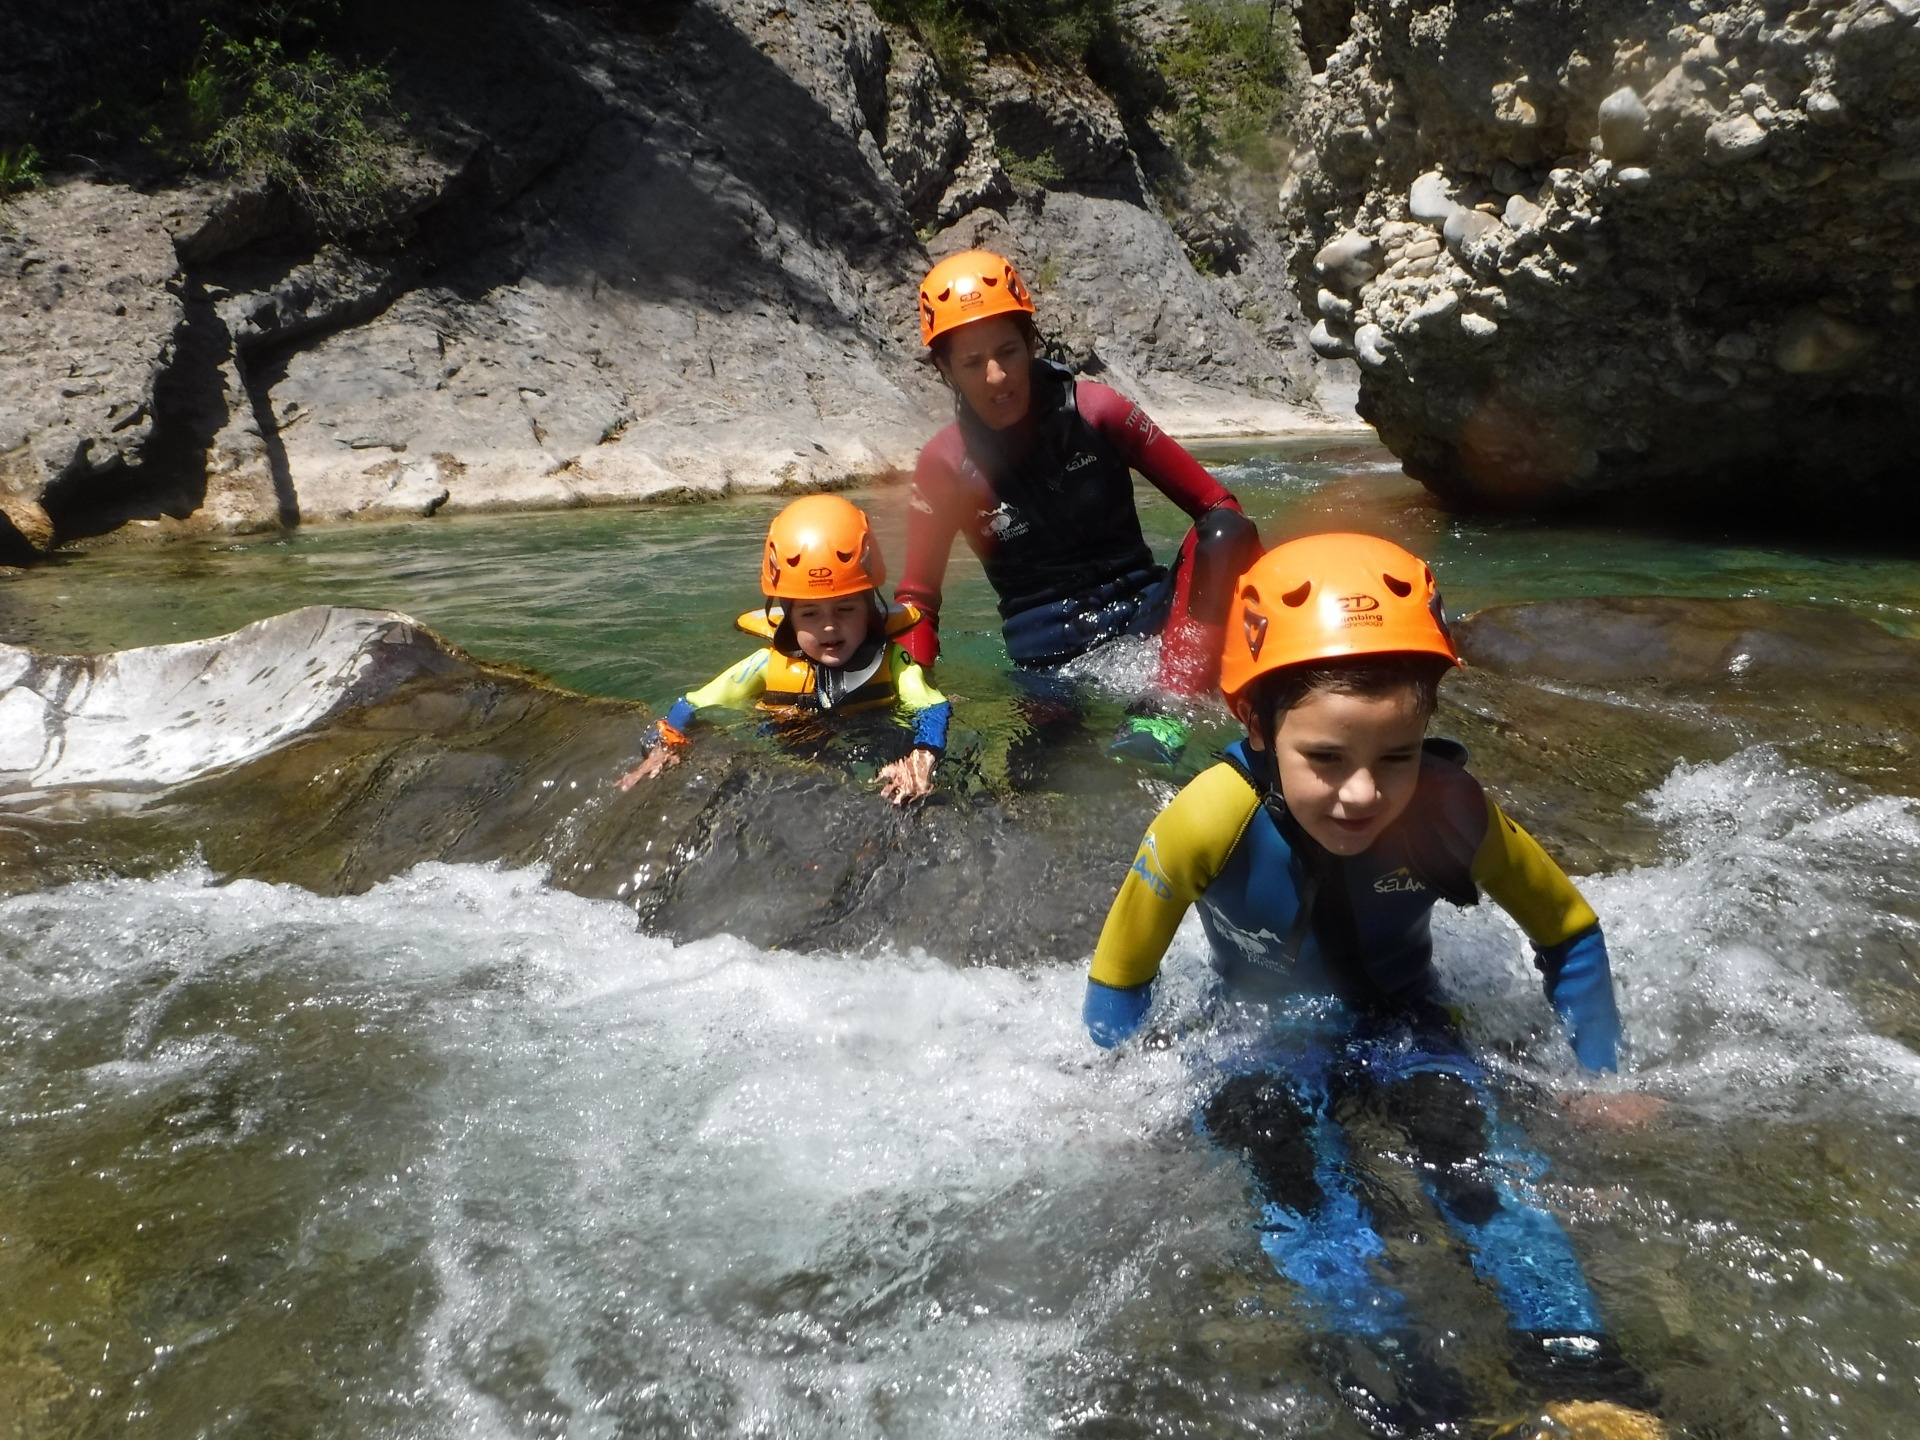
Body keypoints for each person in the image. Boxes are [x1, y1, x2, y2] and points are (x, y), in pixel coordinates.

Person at [1080, 533, 1659, 1430]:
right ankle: (1397, 1370)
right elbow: (1120, 976)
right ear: (1259, 728)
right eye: (1326, 758)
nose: (1362, 795)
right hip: (1258, 1029)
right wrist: (1120, 1091)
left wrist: (1601, 1077)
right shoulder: (1208, 818)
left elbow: (1571, 934)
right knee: (1283, 1156)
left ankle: (1577, 1363)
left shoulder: (1452, 810)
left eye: (1397, 756)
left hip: (1405, 1018)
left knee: (1465, 1159)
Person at [894, 249, 1263, 764]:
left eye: (1008, 351)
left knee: (1227, 532)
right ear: (945, 368)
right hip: (1048, 669)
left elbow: (1218, 506)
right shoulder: (944, 465)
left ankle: (1164, 708)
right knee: (1037, 794)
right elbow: (917, 602)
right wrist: (918, 717)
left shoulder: (1099, 412)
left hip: (1147, 625)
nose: (997, 377)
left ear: (1031, 342)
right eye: (973, 363)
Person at [617, 495, 950, 806]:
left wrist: (922, 756)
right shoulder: (765, 665)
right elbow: (692, 704)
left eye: (846, 609)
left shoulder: (893, 661)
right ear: (787, 617)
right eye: (810, 613)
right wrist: (665, 746)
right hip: (793, 756)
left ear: (870, 608)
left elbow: (933, 707)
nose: (829, 626)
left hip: (878, 749)